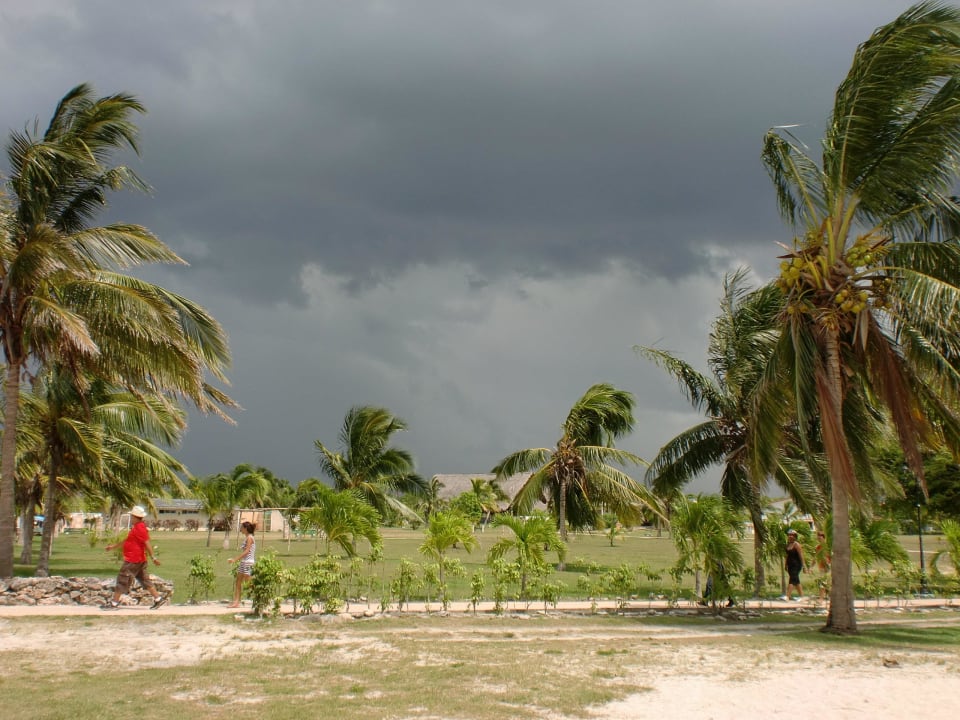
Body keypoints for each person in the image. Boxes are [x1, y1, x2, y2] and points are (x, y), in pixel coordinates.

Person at [102, 506, 167, 610]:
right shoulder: (136, 527)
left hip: (133, 560)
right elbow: (127, 541)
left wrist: (153, 557)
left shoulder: (140, 528)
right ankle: (158, 599)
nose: (131, 518)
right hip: (139, 560)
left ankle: (114, 603)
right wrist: (113, 547)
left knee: (122, 578)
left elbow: (147, 543)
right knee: (144, 580)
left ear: (136, 517)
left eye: (132, 516)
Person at [227, 521, 256, 607]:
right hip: (244, 562)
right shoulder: (247, 537)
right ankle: (236, 602)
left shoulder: (250, 538)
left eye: (242, 527)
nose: (241, 529)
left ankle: (259, 597)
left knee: (249, 583)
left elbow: (247, 551)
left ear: (246, 529)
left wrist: (235, 559)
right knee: (238, 582)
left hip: (248, 563)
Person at [784, 528, 805, 601]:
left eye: (792, 535)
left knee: (792, 580)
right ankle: (802, 597)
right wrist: (785, 564)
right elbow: (787, 556)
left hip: (796, 565)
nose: (790, 536)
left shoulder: (797, 545)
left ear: (795, 536)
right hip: (790, 565)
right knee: (796, 580)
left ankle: (787, 596)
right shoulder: (788, 544)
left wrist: (804, 566)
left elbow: (801, 555)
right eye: (789, 535)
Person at [814, 530, 831, 600]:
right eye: (818, 538)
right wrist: (811, 567)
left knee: (826, 583)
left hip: (828, 567)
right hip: (821, 567)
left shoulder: (828, 546)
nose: (819, 539)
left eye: (820, 537)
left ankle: (823, 598)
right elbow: (815, 558)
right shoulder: (818, 547)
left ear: (824, 538)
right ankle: (822, 598)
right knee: (823, 583)